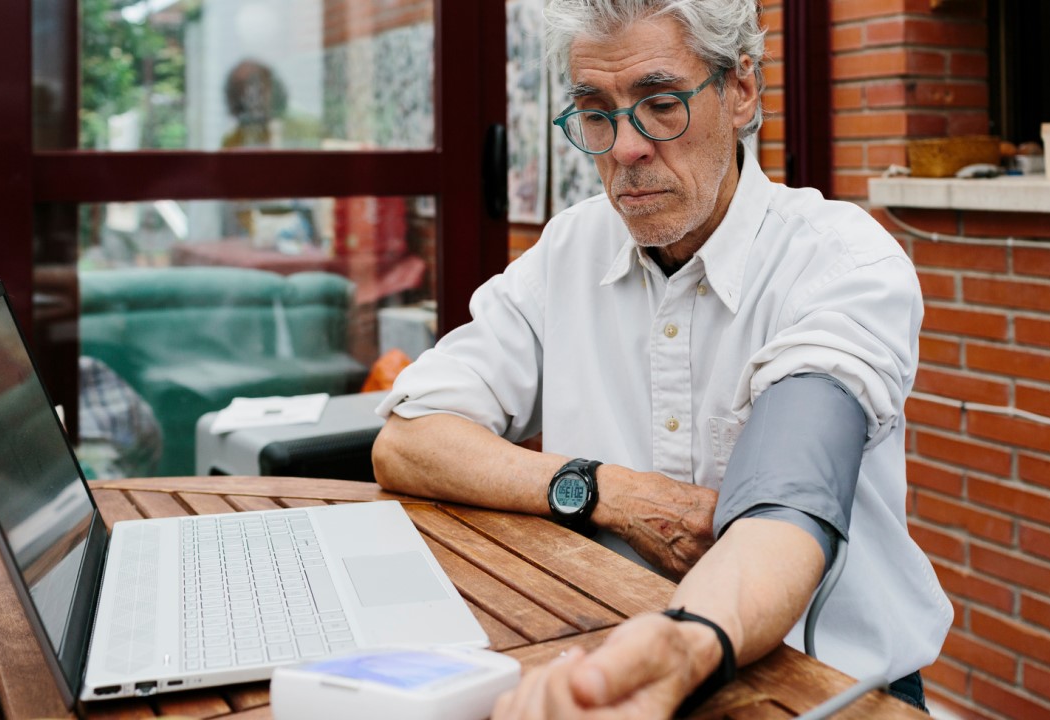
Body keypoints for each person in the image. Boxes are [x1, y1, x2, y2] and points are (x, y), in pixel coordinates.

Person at [371, 0, 952, 716]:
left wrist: (685, 642)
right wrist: (603, 490)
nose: (624, 148)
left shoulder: (841, 261)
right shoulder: (569, 250)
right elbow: (409, 439)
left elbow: (789, 493)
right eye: (596, 111)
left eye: (660, 103)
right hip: (614, 671)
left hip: (832, 692)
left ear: (742, 91)